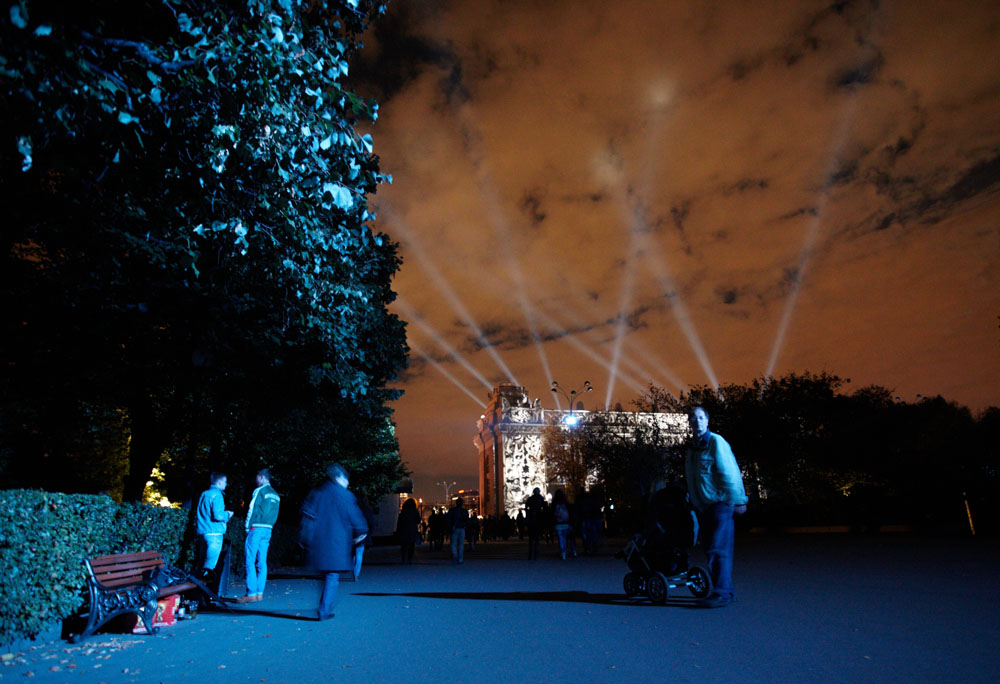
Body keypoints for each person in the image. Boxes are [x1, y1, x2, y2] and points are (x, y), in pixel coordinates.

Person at [685, 406, 748, 608]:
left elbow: (729, 472)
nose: (697, 422)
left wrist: (739, 500)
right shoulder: (692, 449)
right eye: (693, 418)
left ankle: (722, 593)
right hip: (704, 507)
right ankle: (724, 591)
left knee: (718, 549)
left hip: (720, 504)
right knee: (711, 550)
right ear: (689, 422)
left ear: (707, 421)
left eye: (701, 418)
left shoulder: (715, 442)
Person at [300, 464, 368, 620]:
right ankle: (324, 610)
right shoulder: (345, 496)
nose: (347, 483)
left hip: (318, 543)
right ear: (339, 478)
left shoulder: (317, 493)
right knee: (332, 576)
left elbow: (307, 514)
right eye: (345, 479)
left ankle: (323, 605)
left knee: (324, 575)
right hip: (336, 543)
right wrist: (361, 532)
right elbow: (357, 520)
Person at [237, 469, 281, 603]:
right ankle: (259, 593)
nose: (256, 480)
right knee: (262, 562)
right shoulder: (276, 494)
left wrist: (247, 527)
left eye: (257, 477)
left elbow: (252, 508)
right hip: (268, 529)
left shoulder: (259, 491)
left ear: (262, 477)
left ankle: (251, 593)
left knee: (249, 561)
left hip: (256, 527)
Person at [196, 472, 233, 579]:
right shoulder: (217, 495)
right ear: (220, 481)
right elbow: (218, 515)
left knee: (201, 563)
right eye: (225, 482)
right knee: (209, 567)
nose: (226, 484)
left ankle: (196, 592)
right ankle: (204, 592)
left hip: (203, 532)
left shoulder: (204, 494)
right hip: (214, 533)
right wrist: (228, 514)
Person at [353, 493, 375, 580]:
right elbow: (371, 523)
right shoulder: (367, 510)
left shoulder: (354, 509)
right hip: (362, 534)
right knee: (359, 554)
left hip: (353, 534)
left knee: (352, 554)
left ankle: (352, 568)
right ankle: (356, 573)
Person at [552, 489, 576, 560]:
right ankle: (567, 551)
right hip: (566, 523)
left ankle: (563, 552)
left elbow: (552, 514)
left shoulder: (554, 503)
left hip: (558, 523)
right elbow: (571, 512)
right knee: (565, 538)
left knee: (560, 538)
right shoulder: (566, 503)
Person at [397, 498, 421, 564]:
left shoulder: (403, 512)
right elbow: (418, 521)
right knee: (411, 545)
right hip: (412, 530)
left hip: (404, 530)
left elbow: (399, 521)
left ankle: (403, 558)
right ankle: (409, 559)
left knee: (404, 545)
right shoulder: (415, 512)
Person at [447, 497, 470, 564]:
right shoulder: (464, 511)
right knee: (461, 544)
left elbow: (448, 519)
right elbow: (467, 520)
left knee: (454, 543)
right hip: (462, 528)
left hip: (455, 528)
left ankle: (455, 555)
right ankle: (460, 559)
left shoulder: (452, 510)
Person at [525, 487, 545, 560]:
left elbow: (526, 508)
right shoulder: (540, 499)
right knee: (536, 538)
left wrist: (527, 516)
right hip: (538, 520)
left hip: (531, 520)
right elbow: (544, 508)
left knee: (531, 539)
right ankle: (536, 554)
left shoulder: (530, 499)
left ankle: (530, 554)